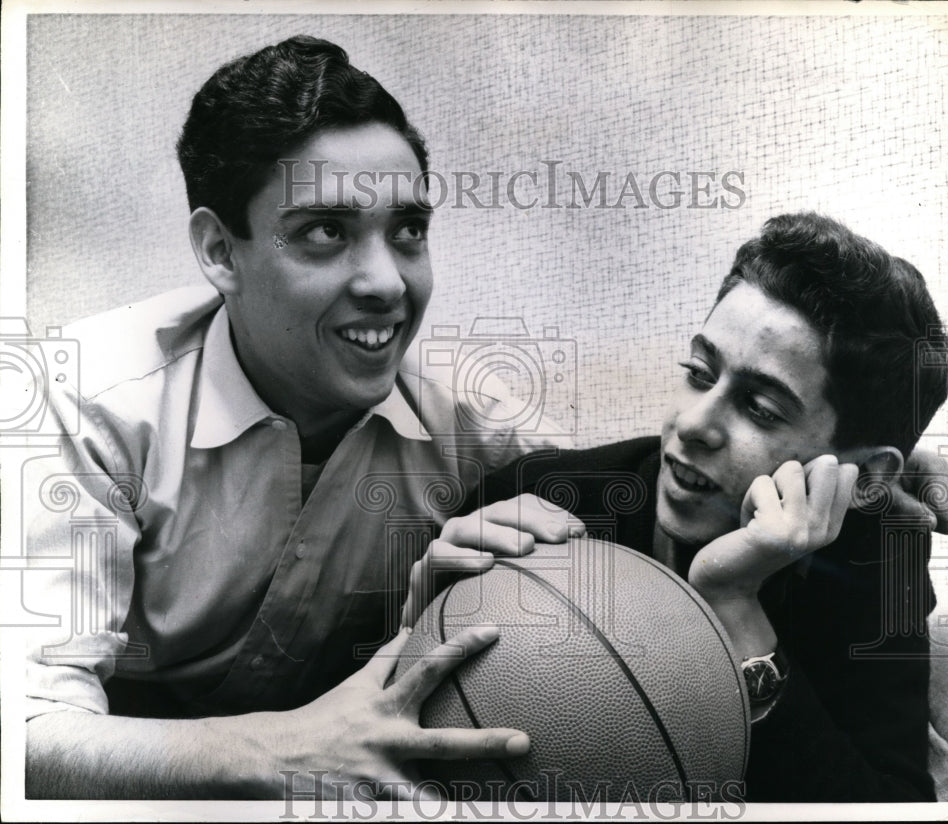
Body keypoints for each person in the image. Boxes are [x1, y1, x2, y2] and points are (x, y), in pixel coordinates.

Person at [21, 35, 583, 800]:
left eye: (408, 230)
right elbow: (29, 732)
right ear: (221, 251)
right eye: (327, 232)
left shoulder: (473, 434)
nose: (388, 283)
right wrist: (284, 751)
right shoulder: (85, 401)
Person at [411, 212, 948, 802]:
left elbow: (889, 807)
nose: (692, 424)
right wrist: (411, 621)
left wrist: (733, 606)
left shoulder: (875, 558)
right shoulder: (535, 502)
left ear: (868, 478)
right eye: (699, 373)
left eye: (761, 409)